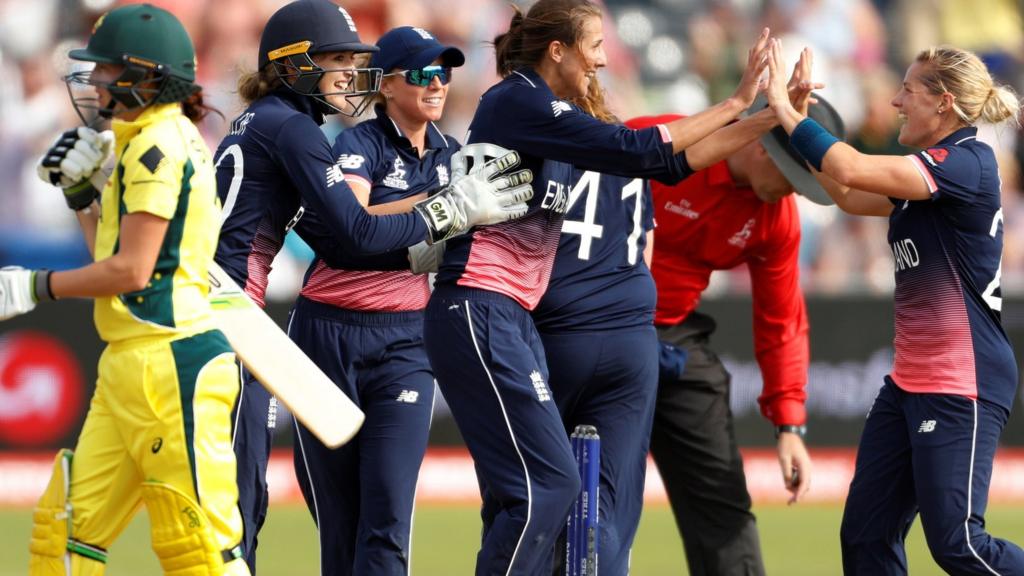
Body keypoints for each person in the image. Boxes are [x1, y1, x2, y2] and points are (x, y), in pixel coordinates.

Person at [422, 0, 772, 572]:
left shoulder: (554, 125)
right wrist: (734, 103)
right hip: (480, 304)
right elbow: (641, 150)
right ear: (556, 49)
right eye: (595, 46)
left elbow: (665, 165)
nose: (604, 61)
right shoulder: (519, 100)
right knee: (543, 492)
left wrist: (761, 120)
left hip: (513, 318)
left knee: (553, 494)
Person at [212, 1, 531, 570]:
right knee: (237, 507)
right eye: (335, 59)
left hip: (235, 318)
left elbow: (336, 240)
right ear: (293, 63)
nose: (349, 73)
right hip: (233, 318)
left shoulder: (266, 122)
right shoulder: (294, 129)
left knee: (246, 504)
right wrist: (450, 209)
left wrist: (438, 212)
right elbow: (358, 233)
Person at [1, 4, 249, 575]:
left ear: (145, 76)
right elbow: (114, 258)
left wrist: (36, 286)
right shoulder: (141, 141)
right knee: (67, 531)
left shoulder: (157, 146)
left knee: (198, 544)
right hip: (130, 363)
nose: (94, 83)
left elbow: (133, 272)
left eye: (107, 71)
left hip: (173, 360)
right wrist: (83, 196)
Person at [764, 40, 1024, 574]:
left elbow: (854, 169)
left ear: (944, 103)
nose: (895, 102)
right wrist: (796, 117)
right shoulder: (926, 176)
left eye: (907, 89)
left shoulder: (967, 163)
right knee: (866, 538)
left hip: (961, 383)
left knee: (959, 545)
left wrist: (787, 115)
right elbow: (844, 191)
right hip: (909, 386)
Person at [624, 74, 835, 574]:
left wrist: (789, 425)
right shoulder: (659, 141)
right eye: (796, 179)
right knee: (582, 492)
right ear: (765, 151)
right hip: (596, 328)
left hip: (673, 333)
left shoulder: (776, 214)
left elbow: (782, 318)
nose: (797, 194)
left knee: (722, 503)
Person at [287, 26, 464, 576]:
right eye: (422, 73)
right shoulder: (357, 144)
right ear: (385, 85)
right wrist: (439, 204)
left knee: (387, 516)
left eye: (445, 73)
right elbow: (355, 224)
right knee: (340, 524)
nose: (437, 85)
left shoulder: (454, 155)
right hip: (325, 336)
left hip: (407, 339)